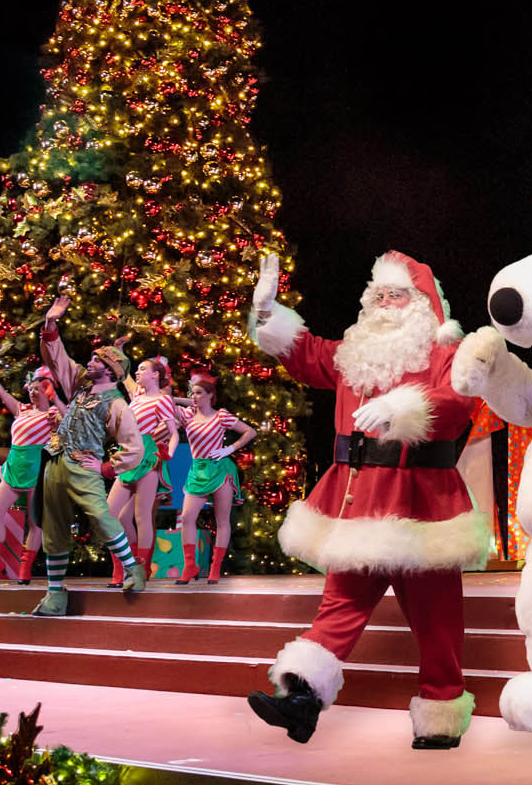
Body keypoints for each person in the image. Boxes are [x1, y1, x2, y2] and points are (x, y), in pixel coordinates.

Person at [245, 251, 489, 749]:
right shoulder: (354, 356)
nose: (383, 304)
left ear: (422, 304)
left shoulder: (447, 353)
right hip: (356, 504)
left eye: (395, 294)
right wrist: (269, 314)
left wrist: (404, 407)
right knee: (338, 606)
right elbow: (307, 354)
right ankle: (301, 702)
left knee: (437, 621)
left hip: (422, 505)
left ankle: (442, 715)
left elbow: (461, 400)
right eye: (377, 294)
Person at [34, 293, 149, 614]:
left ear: (111, 371)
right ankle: (55, 594)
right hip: (55, 461)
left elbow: (134, 447)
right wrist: (51, 321)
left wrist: (105, 468)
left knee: (101, 517)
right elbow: (58, 358)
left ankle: (131, 568)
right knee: (54, 527)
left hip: (83, 466)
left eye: (98, 360)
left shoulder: (115, 403)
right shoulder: (79, 386)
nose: (91, 361)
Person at [0, 362, 57, 584]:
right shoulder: (22, 410)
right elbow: (0, 392)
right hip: (14, 467)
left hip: (38, 469)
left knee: (35, 522)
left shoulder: (53, 413)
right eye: (29, 389)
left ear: (47, 390)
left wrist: (56, 399)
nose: (31, 392)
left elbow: (69, 420)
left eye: (36, 388)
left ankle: (25, 567)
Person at [175, 371, 256, 584]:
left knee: (222, 521)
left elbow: (250, 432)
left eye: (200, 393)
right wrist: (186, 399)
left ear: (211, 395)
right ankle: (190, 566)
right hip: (197, 469)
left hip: (220, 469)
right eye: (193, 393)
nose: (194, 397)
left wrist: (229, 449)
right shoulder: (187, 415)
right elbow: (166, 402)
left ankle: (215, 568)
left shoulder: (221, 415)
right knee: (186, 518)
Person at [107, 355, 179, 587]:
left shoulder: (162, 400)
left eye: (142, 369)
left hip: (148, 455)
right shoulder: (136, 397)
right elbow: (123, 375)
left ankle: (141, 567)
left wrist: (169, 452)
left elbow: (174, 433)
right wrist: (116, 353)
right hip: (127, 453)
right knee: (110, 515)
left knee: (142, 516)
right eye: (136, 370)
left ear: (155, 374)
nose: (137, 373)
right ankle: (124, 565)